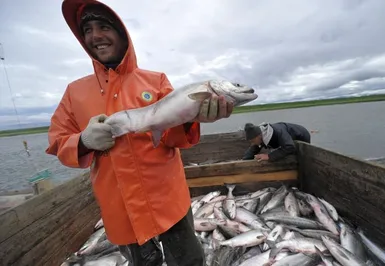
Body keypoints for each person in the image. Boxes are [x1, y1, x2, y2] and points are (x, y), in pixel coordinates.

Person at [46, 1, 233, 265]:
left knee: (189, 260)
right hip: (119, 207)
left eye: (103, 26)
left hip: (167, 199)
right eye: (87, 29)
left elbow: (171, 136)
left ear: (123, 33)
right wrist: (84, 141)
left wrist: (192, 119)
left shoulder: (156, 81)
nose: (95, 36)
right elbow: (57, 141)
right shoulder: (74, 92)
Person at [242, 122, 311, 162]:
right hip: (288, 140)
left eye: (253, 141)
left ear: (259, 136)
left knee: (301, 159)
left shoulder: (278, 132)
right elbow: (253, 149)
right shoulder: (258, 136)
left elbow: (289, 147)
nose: (252, 143)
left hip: (301, 135)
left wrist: (269, 156)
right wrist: (243, 161)